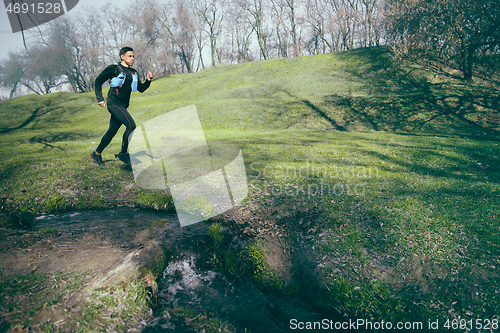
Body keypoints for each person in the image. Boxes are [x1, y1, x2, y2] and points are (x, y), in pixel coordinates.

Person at [90, 46, 154, 165]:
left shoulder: (134, 72)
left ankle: (96, 153)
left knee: (112, 131)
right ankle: (123, 154)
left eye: (133, 56)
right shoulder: (114, 69)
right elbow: (98, 81)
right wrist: (100, 98)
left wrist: (148, 81)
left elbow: (140, 89)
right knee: (131, 126)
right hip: (113, 103)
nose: (132, 58)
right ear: (122, 57)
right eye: (130, 56)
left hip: (123, 106)